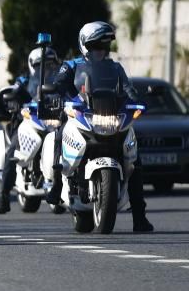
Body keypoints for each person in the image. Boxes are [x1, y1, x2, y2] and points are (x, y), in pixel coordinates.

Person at [49, 21, 153, 232]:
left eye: (103, 47)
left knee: (134, 159)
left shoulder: (115, 67)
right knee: (60, 133)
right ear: (85, 45)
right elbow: (59, 84)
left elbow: (127, 88)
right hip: (82, 113)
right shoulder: (71, 65)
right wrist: (68, 98)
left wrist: (136, 100)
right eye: (96, 46)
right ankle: (56, 187)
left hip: (111, 116)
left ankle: (140, 217)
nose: (100, 51)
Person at [0, 46, 60, 214]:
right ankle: (3, 196)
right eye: (41, 65)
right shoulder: (24, 80)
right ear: (33, 65)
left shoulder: (59, 81)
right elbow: (14, 92)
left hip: (52, 120)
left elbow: (69, 94)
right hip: (28, 120)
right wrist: (14, 99)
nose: (47, 68)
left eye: (51, 64)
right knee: (13, 152)